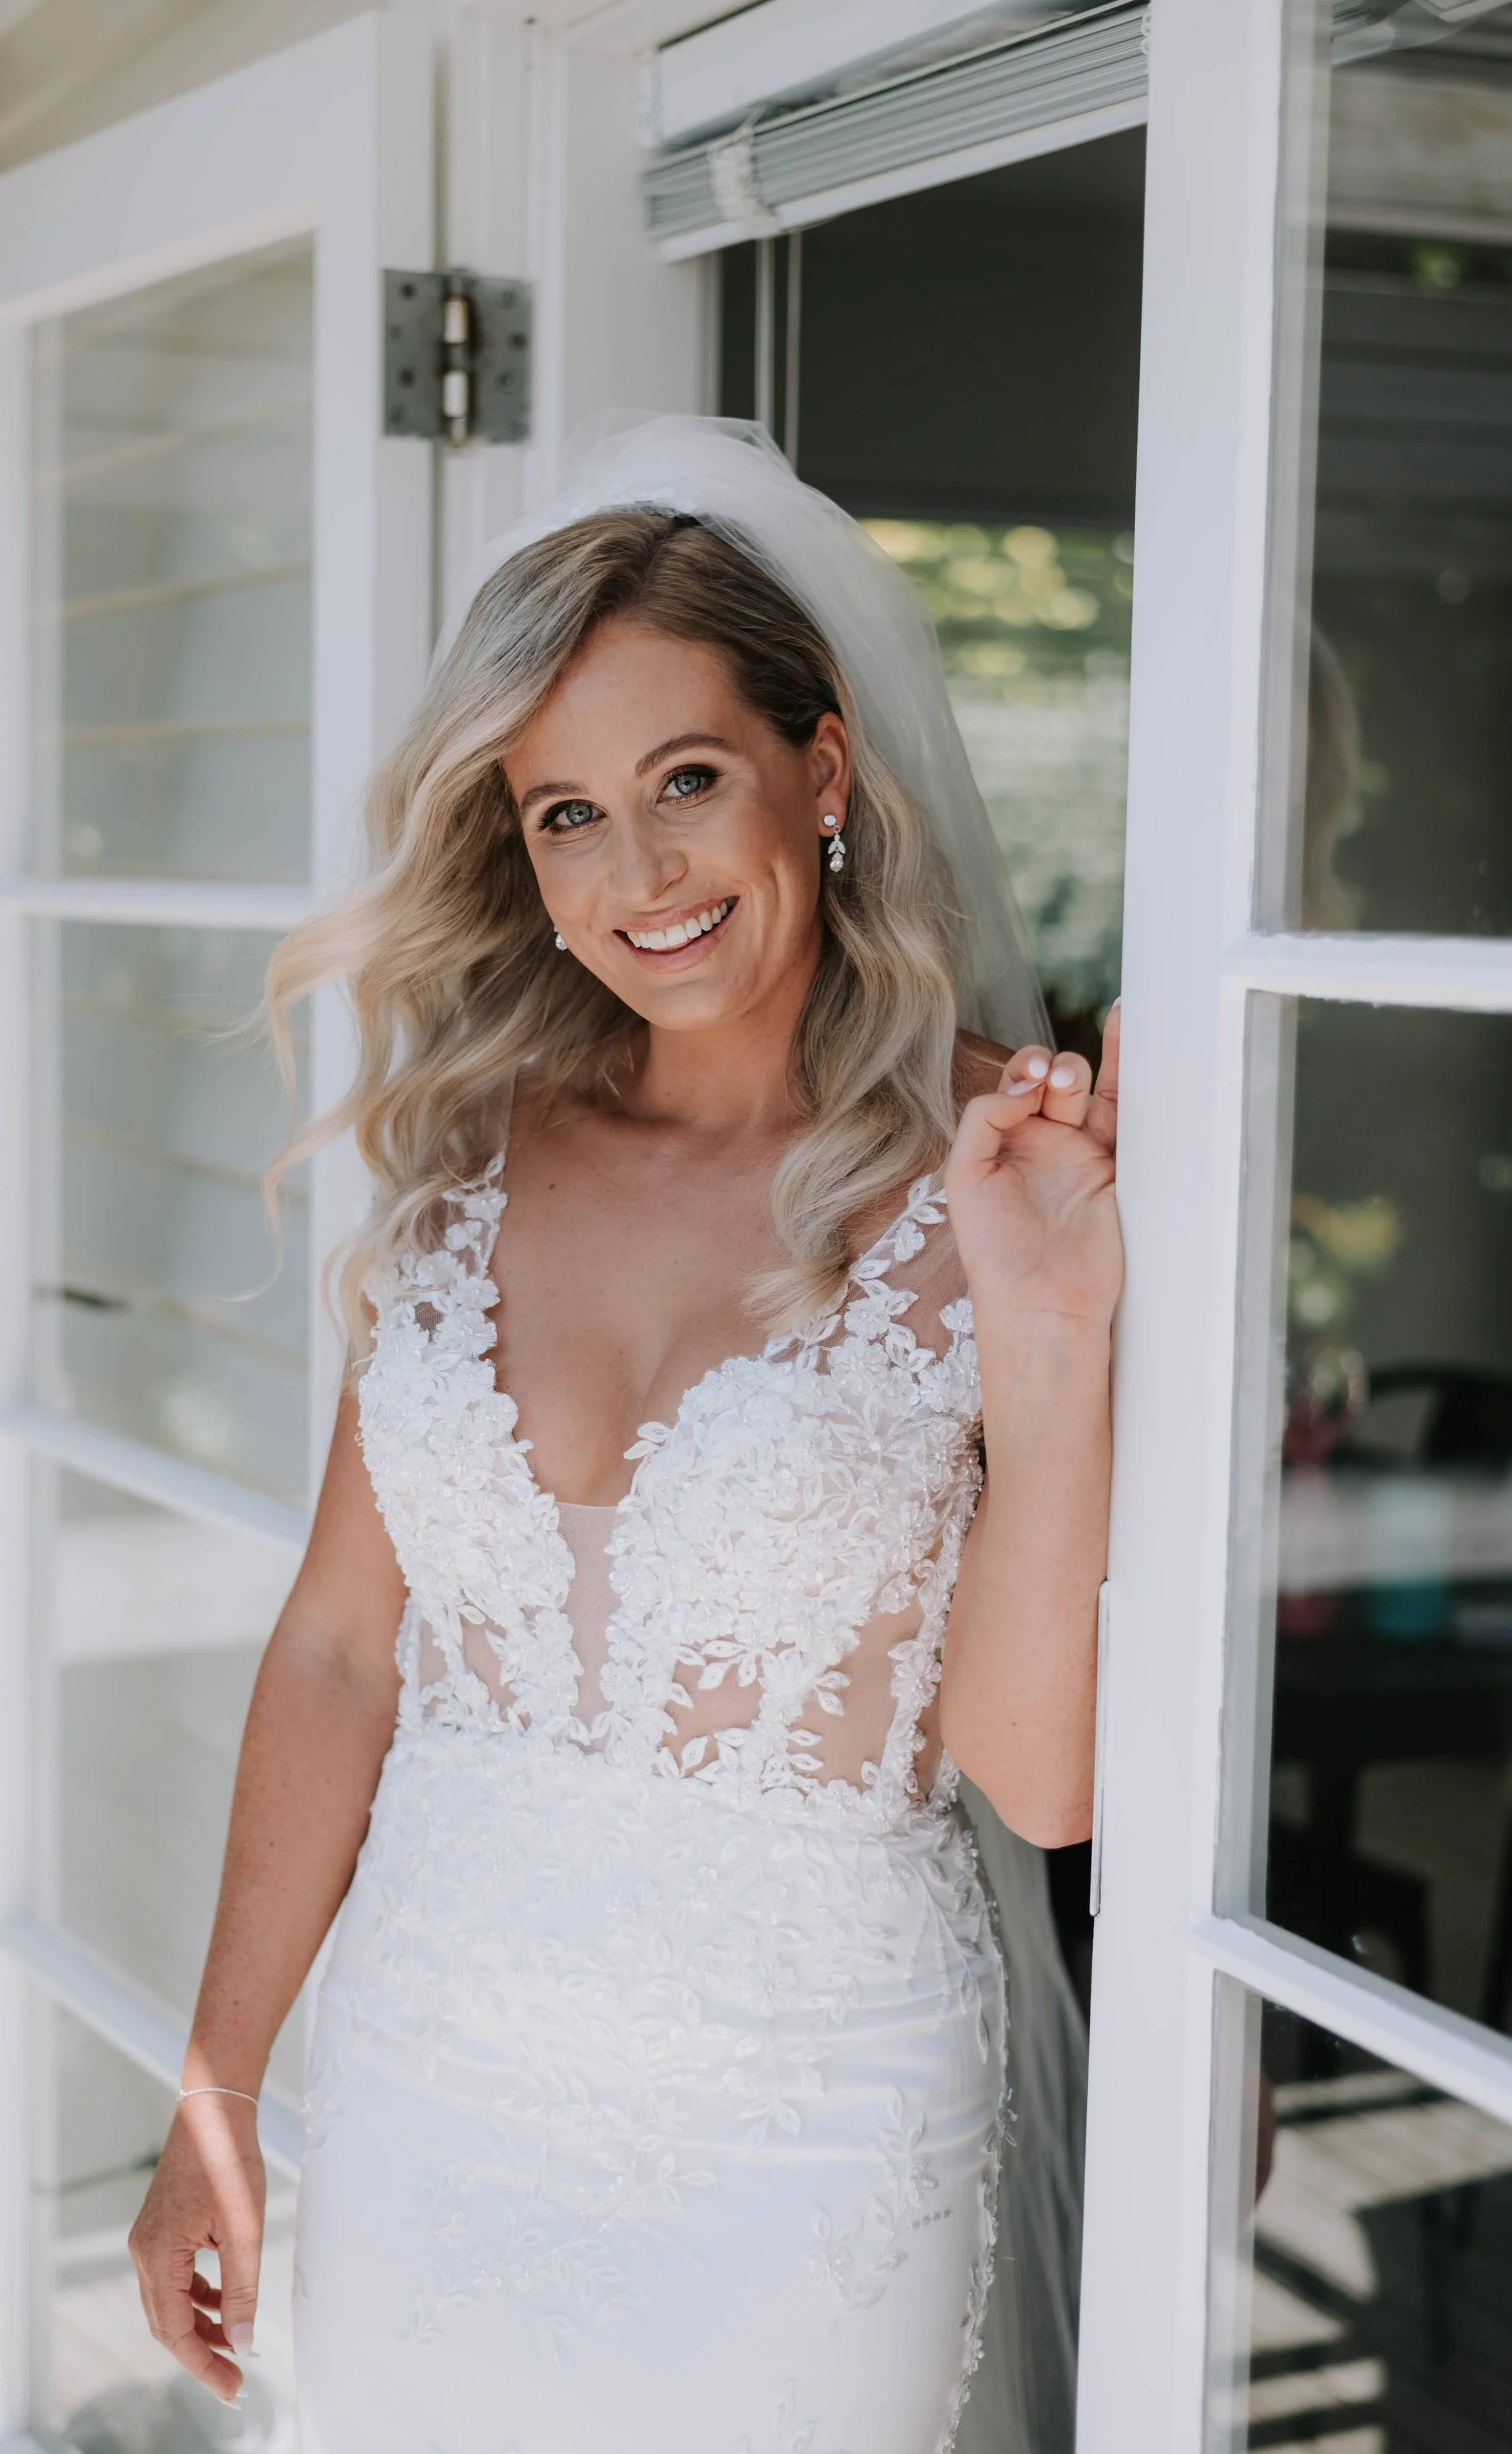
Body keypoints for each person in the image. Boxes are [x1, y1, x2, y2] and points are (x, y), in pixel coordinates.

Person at [128, 417, 1118, 2454]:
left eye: (688, 783)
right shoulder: (468, 1148)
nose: (639, 875)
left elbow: (1032, 1781)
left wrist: (1050, 1338)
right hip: (425, 2088)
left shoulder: (1001, 1168)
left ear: (820, 773)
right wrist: (217, 2083)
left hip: (813, 2121)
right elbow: (335, 1645)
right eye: (569, 814)